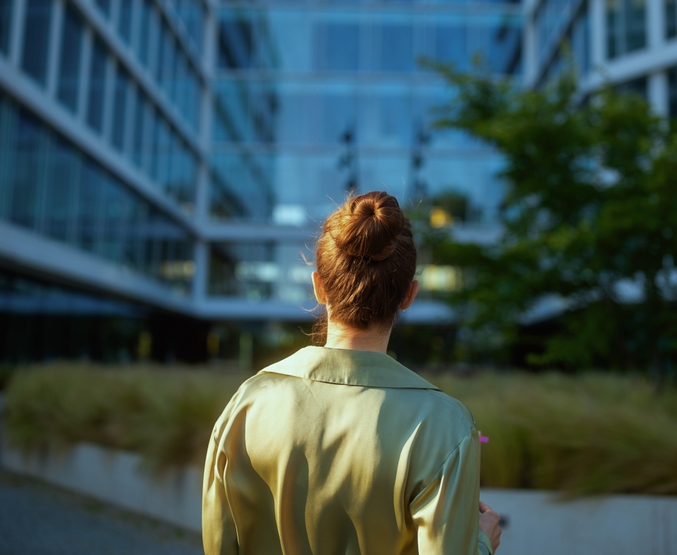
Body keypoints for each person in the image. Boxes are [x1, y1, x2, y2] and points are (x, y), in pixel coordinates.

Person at [202, 191, 502, 554]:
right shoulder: (444, 425)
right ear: (409, 295)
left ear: (319, 287)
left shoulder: (247, 405)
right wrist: (483, 542)